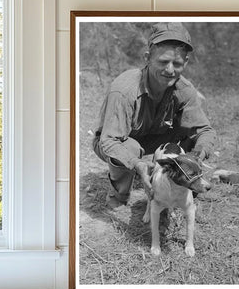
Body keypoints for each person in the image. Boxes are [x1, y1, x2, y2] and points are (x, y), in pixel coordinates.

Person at [93, 22, 216, 208]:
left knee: (192, 137)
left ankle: (182, 193)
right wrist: (136, 164)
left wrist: (198, 155)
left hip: (156, 139)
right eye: (163, 62)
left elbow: (205, 131)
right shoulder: (125, 90)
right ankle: (118, 196)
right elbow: (109, 140)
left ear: (186, 63)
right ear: (147, 58)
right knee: (130, 148)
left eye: (177, 63)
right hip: (119, 141)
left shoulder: (185, 90)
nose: (170, 70)